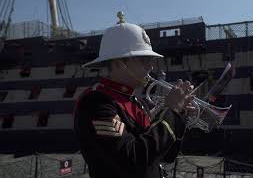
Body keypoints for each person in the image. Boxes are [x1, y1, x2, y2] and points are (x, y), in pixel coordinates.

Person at [73, 12, 195, 178]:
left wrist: (179, 117)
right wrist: (171, 111)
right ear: (119, 63)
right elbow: (131, 159)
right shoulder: (96, 102)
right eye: (144, 60)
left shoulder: (138, 102)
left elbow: (166, 156)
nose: (151, 67)